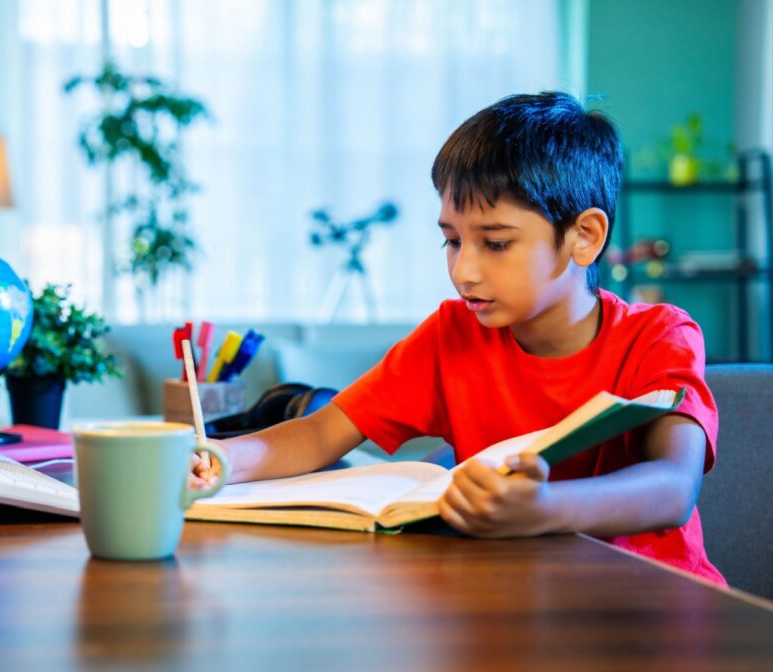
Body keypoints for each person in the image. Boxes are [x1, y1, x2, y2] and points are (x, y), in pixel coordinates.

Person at [194, 91, 724, 585]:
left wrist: (543, 509)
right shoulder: (452, 335)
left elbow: (672, 488)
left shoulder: (658, 337)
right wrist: (216, 459)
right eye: (451, 241)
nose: (464, 270)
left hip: (652, 604)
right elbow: (316, 435)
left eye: (495, 243)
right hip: (509, 599)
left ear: (584, 237)